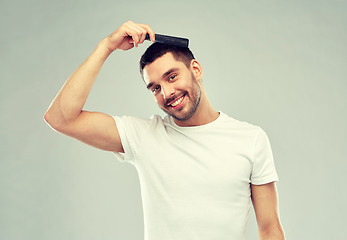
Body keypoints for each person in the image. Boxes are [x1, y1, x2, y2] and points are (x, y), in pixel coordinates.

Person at [44, 20, 285, 240]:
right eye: (155, 88)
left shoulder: (250, 139)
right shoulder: (143, 136)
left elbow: (270, 228)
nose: (167, 93)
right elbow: (61, 118)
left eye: (172, 77)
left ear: (196, 69)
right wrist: (106, 46)